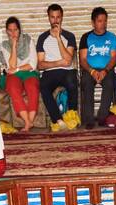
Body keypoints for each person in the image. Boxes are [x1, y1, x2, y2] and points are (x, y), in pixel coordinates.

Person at [37, 4, 79, 132]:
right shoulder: (42, 38)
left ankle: (71, 117)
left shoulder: (69, 36)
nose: (55, 20)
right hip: (50, 72)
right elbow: (40, 65)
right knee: (43, 86)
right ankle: (58, 120)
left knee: (72, 83)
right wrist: (58, 63)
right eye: (52, 17)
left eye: (58, 17)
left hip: (67, 71)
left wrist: (58, 38)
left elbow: (68, 61)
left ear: (62, 18)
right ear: (48, 18)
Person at [0, 17, 41, 133]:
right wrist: (13, 46)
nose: (13, 33)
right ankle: (28, 122)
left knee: (32, 86)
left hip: (29, 72)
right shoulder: (4, 45)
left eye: (15, 30)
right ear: (6, 31)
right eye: (10, 30)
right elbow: (10, 65)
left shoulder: (28, 40)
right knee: (12, 87)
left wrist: (17, 69)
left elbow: (33, 64)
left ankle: (29, 122)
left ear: (20, 30)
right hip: (14, 75)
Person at [79, 7, 116, 128]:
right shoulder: (86, 37)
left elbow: (113, 58)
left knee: (110, 83)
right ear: (93, 22)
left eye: (105, 21)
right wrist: (92, 71)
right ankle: (89, 119)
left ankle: (103, 116)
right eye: (100, 21)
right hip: (89, 69)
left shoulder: (112, 37)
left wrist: (105, 71)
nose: (103, 24)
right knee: (86, 82)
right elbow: (83, 59)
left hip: (107, 69)